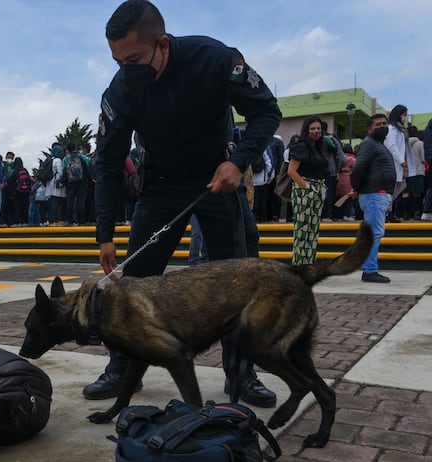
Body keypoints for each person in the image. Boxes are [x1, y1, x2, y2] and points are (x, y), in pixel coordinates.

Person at [85, 0, 280, 407]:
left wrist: (237, 162)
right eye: (118, 60)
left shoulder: (213, 58)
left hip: (217, 178)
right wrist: (105, 235)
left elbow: (267, 111)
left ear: (162, 43)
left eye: (134, 58)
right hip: (160, 185)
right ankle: (123, 367)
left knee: (238, 280)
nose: (126, 68)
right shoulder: (120, 91)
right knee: (134, 284)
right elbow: (105, 163)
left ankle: (241, 374)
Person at [350, 114, 394, 283]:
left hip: (377, 194)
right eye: (378, 124)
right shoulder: (369, 144)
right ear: (370, 128)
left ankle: (369, 268)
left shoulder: (377, 145)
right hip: (374, 194)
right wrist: (356, 187)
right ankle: (369, 270)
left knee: (375, 233)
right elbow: (358, 168)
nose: (382, 127)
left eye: (384, 123)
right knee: (374, 234)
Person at [286, 116, 330, 264]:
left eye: (318, 128)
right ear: (306, 130)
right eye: (313, 129)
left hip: (318, 187)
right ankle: (299, 264)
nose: (316, 131)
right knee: (302, 230)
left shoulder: (321, 147)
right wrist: (307, 187)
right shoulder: (301, 146)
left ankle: (309, 263)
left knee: (313, 229)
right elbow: (291, 171)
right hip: (304, 188)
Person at [384, 104, 417, 223]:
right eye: (404, 115)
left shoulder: (400, 130)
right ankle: (388, 212)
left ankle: (388, 210)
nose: (405, 117)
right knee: (392, 189)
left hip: (400, 164)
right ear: (398, 115)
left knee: (399, 187)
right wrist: (401, 160)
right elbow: (392, 146)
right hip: (395, 164)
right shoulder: (392, 129)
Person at [62, 141, 91, 225]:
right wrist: (88, 180)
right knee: (81, 201)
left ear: (68, 149)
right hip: (81, 182)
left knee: (70, 201)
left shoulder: (66, 158)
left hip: (70, 183)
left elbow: (64, 172)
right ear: (75, 147)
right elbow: (86, 168)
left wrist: (64, 183)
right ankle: (81, 220)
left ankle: (70, 220)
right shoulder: (81, 156)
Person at [44, 142, 66, 224]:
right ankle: (55, 219)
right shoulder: (58, 160)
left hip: (49, 183)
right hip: (56, 184)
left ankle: (50, 219)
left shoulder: (50, 159)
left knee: (51, 203)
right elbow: (60, 173)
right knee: (55, 203)